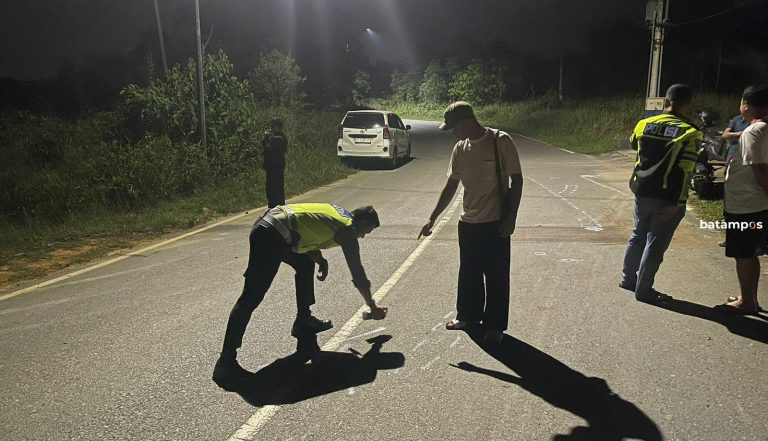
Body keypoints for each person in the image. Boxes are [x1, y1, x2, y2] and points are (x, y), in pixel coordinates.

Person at [213, 203, 388, 386]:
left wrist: (318, 257)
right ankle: (226, 363)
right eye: (368, 230)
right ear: (361, 222)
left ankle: (303, 321)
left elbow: (306, 227)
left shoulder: (341, 214)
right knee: (250, 298)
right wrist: (372, 305)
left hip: (273, 226)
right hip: (271, 235)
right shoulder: (347, 230)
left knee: (305, 264)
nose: (365, 235)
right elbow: (357, 272)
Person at [419, 101, 523, 344]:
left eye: (454, 127)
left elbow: (517, 181)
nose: (452, 133)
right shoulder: (459, 149)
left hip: (496, 222)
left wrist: (511, 218)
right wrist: (432, 217)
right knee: (469, 273)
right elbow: (451, 185)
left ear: (467, 122)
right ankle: (467, 316)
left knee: (496, 276)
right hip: (468, 223)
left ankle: (495, 326)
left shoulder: (501, 141)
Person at [620, 84, 703, 303]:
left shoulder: (644, 124)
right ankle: (644, 290)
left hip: (641, 190)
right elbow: (686, 171)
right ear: (688, 104)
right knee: (655, 243)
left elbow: (633, 145)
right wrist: (679, 202)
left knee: (638, 234)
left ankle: (628, 279)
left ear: (666, 101)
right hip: (668, 196)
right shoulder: (690, 132)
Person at [720, 85, 768, 314]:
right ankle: (749, 296)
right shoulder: (762, 128)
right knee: (750, 253)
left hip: (746, 205)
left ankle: (747, 302)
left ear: (746, 105)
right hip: (754, 203)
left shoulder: (753, 132)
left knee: (743, 255)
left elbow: (759, 171)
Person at [717, 113, 750, 247]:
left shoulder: (761, 123)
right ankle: (730, 237)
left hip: (750, 165)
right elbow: (725, 135)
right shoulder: (737, 119)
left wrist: (737, 135)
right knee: (730, 200)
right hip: (732, 162)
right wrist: (742, 134)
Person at [262, 118, 288, 208]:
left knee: (272, 187)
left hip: (274, 166)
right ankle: (277, 204)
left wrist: (265, 138)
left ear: (277, 126)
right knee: (277, 186)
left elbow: (268, 149)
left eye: (273, 125)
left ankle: (274, 204)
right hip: (277, 165)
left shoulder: (277, 138)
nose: (271, 128)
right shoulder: (282, 137)